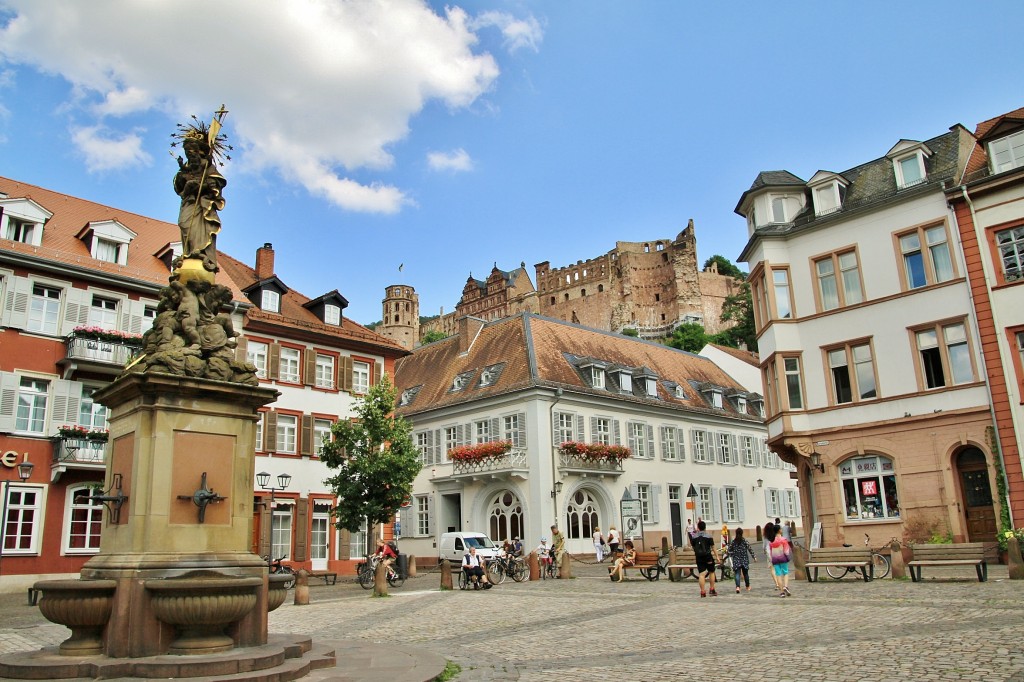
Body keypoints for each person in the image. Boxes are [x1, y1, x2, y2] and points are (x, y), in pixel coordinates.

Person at [173, 130, 226, 273]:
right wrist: (183, 179)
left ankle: (200, 253)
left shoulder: (207, 167)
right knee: (184, 224)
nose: (189, 154)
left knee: (199, 229)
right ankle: (189, 253)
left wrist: (203, 185)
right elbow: (178, 187)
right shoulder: (187, 167)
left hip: (202, 205)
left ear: (199, 151)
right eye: (187, 151)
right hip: (188, 202)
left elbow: (215, 185)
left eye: (191, 150)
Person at [691, 520, 719, 597]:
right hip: (708, 556)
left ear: (698, 528)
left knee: (701, 574)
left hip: (699, 557)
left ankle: (703, 591)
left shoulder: (694, 537)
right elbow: (713, 547)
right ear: (705, 527)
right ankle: (712, 589)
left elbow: (693, 547)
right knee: (711, 571)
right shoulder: (709, 536)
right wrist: (717, 557)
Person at [728, 527, 756, 593]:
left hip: (736, 560)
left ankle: (738, 587)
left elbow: (729, 551)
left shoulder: (733, 542)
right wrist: (754, 557)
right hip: (744, 559)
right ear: (742, 533)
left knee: (737, 574)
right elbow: (750, 549)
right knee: (745, 573)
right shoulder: (744, 541)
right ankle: (748, 586)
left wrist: (733, 554)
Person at [769, 524, 793, 597]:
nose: (782, 530)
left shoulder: (771, 541)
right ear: (779, 530)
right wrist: (788, 556)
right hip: (783, 558)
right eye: (781, 529)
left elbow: (770, 551)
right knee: (785, 572)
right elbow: (786, 551)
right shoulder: (783, 540)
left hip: (775, 559)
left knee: (778, 574)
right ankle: (785, 586)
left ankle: (782, 592)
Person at [763, 522, 783, 593]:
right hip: (776, 552)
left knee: (772, 569)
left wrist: (764, 550)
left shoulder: (766, 537)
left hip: (769, 553)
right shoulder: (775, 535)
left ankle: (777, 583)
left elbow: (764, 546)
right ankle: (780, 582)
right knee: (778, 568)